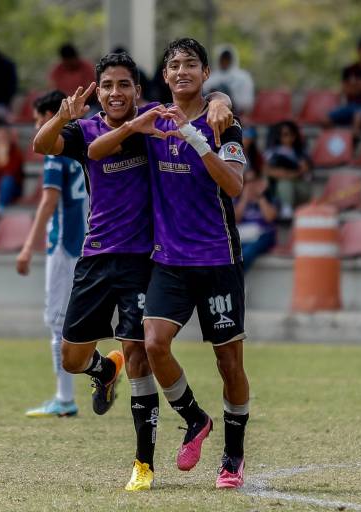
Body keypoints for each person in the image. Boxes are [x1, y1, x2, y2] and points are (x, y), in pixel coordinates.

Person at [33, 51, 234, 491]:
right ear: (98, 93)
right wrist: (63, 116)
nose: (115, 92)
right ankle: (104, 371)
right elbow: (42, 145)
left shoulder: (156, 119)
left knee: (140, 356)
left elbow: (196, 99)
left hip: (144, 259)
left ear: (138, 91)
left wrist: (221, 99)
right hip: (96, 256)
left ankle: (144, 464)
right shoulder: (87, 130)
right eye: (107, 85)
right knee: (71, 360)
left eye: (124, 84)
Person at [88, 37, 250, 490]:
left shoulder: (223, 122)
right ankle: (195, 418)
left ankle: (233, 456)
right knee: (154, 343)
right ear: (164, 76)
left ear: (205, 74)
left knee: (229, 363)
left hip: (218, 259)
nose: (182, 71)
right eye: (174, 65)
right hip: (169, 260)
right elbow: (101, 145)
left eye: (191, 64)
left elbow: (234, 186)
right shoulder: (152, 121)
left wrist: (205, 124)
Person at [17, 91, 88, 418]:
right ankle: (102, 370)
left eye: (38, 119)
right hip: (89, 240)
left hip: (64, 244)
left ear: (50, 115)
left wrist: (27, 246)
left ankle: (65, 397)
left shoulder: (55, 149)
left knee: (57, 322)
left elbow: (48, 202)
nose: (36, 127)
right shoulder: (86, 141)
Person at [263, 120, 312, 219]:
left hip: (299, 188)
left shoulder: (301, 153)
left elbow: (304, 172)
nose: (284, 137)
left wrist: (286, 174)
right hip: (276, 188)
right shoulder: (272, 152)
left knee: (285, 182)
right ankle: (282, 207)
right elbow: (265, 170)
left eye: (287, 134)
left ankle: (287, 209)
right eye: (281, 135)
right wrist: (281, 174)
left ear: (294, 136)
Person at [235, 170, 278, 271]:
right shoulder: (238, 200)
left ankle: (235, 279)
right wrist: (244, 198)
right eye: (246, 182)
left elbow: (270, 217)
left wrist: (260, 196)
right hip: (243, 235)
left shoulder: (270, 199)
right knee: (232, 253)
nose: (250, 185)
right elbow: (235, 219)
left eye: (253, 181)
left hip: (263, 235)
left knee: (246, 253)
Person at [203, 45, 255, 115]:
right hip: (211, 112)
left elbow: (247, 103)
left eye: (227, 59)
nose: (225, 61)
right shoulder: (211, 77)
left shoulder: (243, 77)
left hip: (235, 113)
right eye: (223, 59)